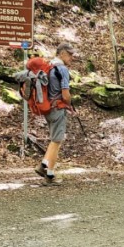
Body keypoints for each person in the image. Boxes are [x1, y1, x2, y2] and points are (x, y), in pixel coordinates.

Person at [35, 43, 74, 183]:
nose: (72, 58)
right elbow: (65, 94)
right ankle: (43, 165)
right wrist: (70, 105)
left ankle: (50, 174)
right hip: (58, 108)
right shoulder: (62, 69)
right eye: (70, 54)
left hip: (47, 108)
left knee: (55, 140)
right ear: (62, 53)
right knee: (57, 140)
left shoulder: (49, 66)